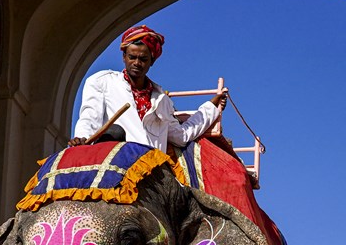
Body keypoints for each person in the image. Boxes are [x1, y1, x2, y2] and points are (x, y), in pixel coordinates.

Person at [68, 24, 227, 151]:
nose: (137, 63)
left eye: (143, 59)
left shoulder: (161, 99)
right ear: (124, 57)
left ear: (152, 61)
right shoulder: (102, 82)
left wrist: (211, 107)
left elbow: (180, 136)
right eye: (132, 57)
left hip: (152, 170)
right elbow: (89, 116)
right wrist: (82, 137)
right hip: (115, 160)